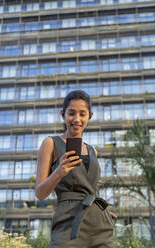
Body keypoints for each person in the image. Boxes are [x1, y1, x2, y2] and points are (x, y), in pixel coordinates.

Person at [36, 90, 115, 248]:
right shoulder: (51, 143)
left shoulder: (93, 151)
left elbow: (90, 189)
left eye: (82, 114)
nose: (77, 119)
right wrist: (59, 171)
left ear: (89, 116)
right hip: (68, 223)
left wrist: (103, 211)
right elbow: (40, 193)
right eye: (71, 113)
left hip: (100, 225)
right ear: (63, 114)